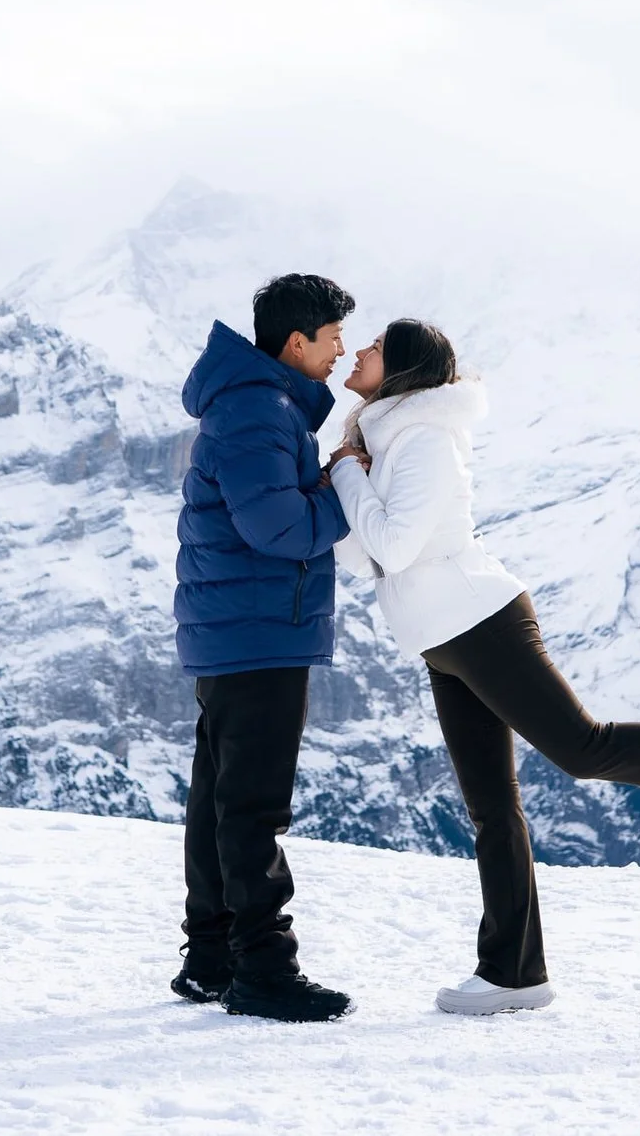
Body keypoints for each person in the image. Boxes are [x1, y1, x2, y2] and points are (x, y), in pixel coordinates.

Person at [328, 319, 640, 1017]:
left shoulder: (425, 439)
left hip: (480, 620)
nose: (360, 350)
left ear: (400, 369)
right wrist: (356, 478)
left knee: (583, 748)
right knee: (491, 804)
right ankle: (514, 972)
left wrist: (346, 473)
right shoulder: (386, 441)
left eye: (374, 344)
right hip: (443, 636)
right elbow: (364, 555)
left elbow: (396, 547)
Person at [170, 273, 359, 1023]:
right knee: (251, 805)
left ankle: (211, 957)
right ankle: (263, 967)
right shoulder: (258, 410)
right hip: (257, 632)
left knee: (219, 796)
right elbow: (277, 527)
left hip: (238, 628)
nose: (341, 352)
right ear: (295, 342)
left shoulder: (259, 404)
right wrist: (344, 489)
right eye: (333, 338)